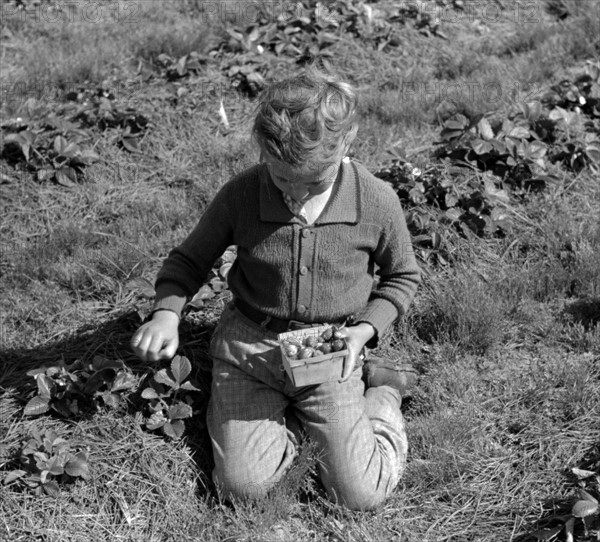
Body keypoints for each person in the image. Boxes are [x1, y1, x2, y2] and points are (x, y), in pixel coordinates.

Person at [131, 67, 421, 510]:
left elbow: (402, 277)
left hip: (331, 350)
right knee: (242, 489)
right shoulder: (243, 194)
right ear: (264, 152)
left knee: (360, 495)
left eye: (313, 180)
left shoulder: (376, 200)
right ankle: (301, 427)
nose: (297, 192)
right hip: (249, 352)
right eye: (283, 178)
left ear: (346, 143)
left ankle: (382, 394)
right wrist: (166, 313)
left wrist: (363, 332)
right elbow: (189, 260)